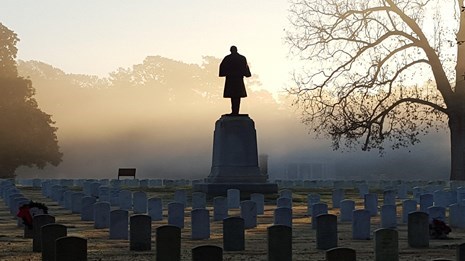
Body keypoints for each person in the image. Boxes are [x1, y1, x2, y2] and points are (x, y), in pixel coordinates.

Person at [219, 46, 251, 115]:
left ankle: (235, 112)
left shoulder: (227, 58)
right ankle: (235, 111)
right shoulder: (242, 58)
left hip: (231, 80)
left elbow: (222, 68)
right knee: (237, 96)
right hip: (238, 80)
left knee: (233, 96)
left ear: (230, 50)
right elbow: (246, 69)